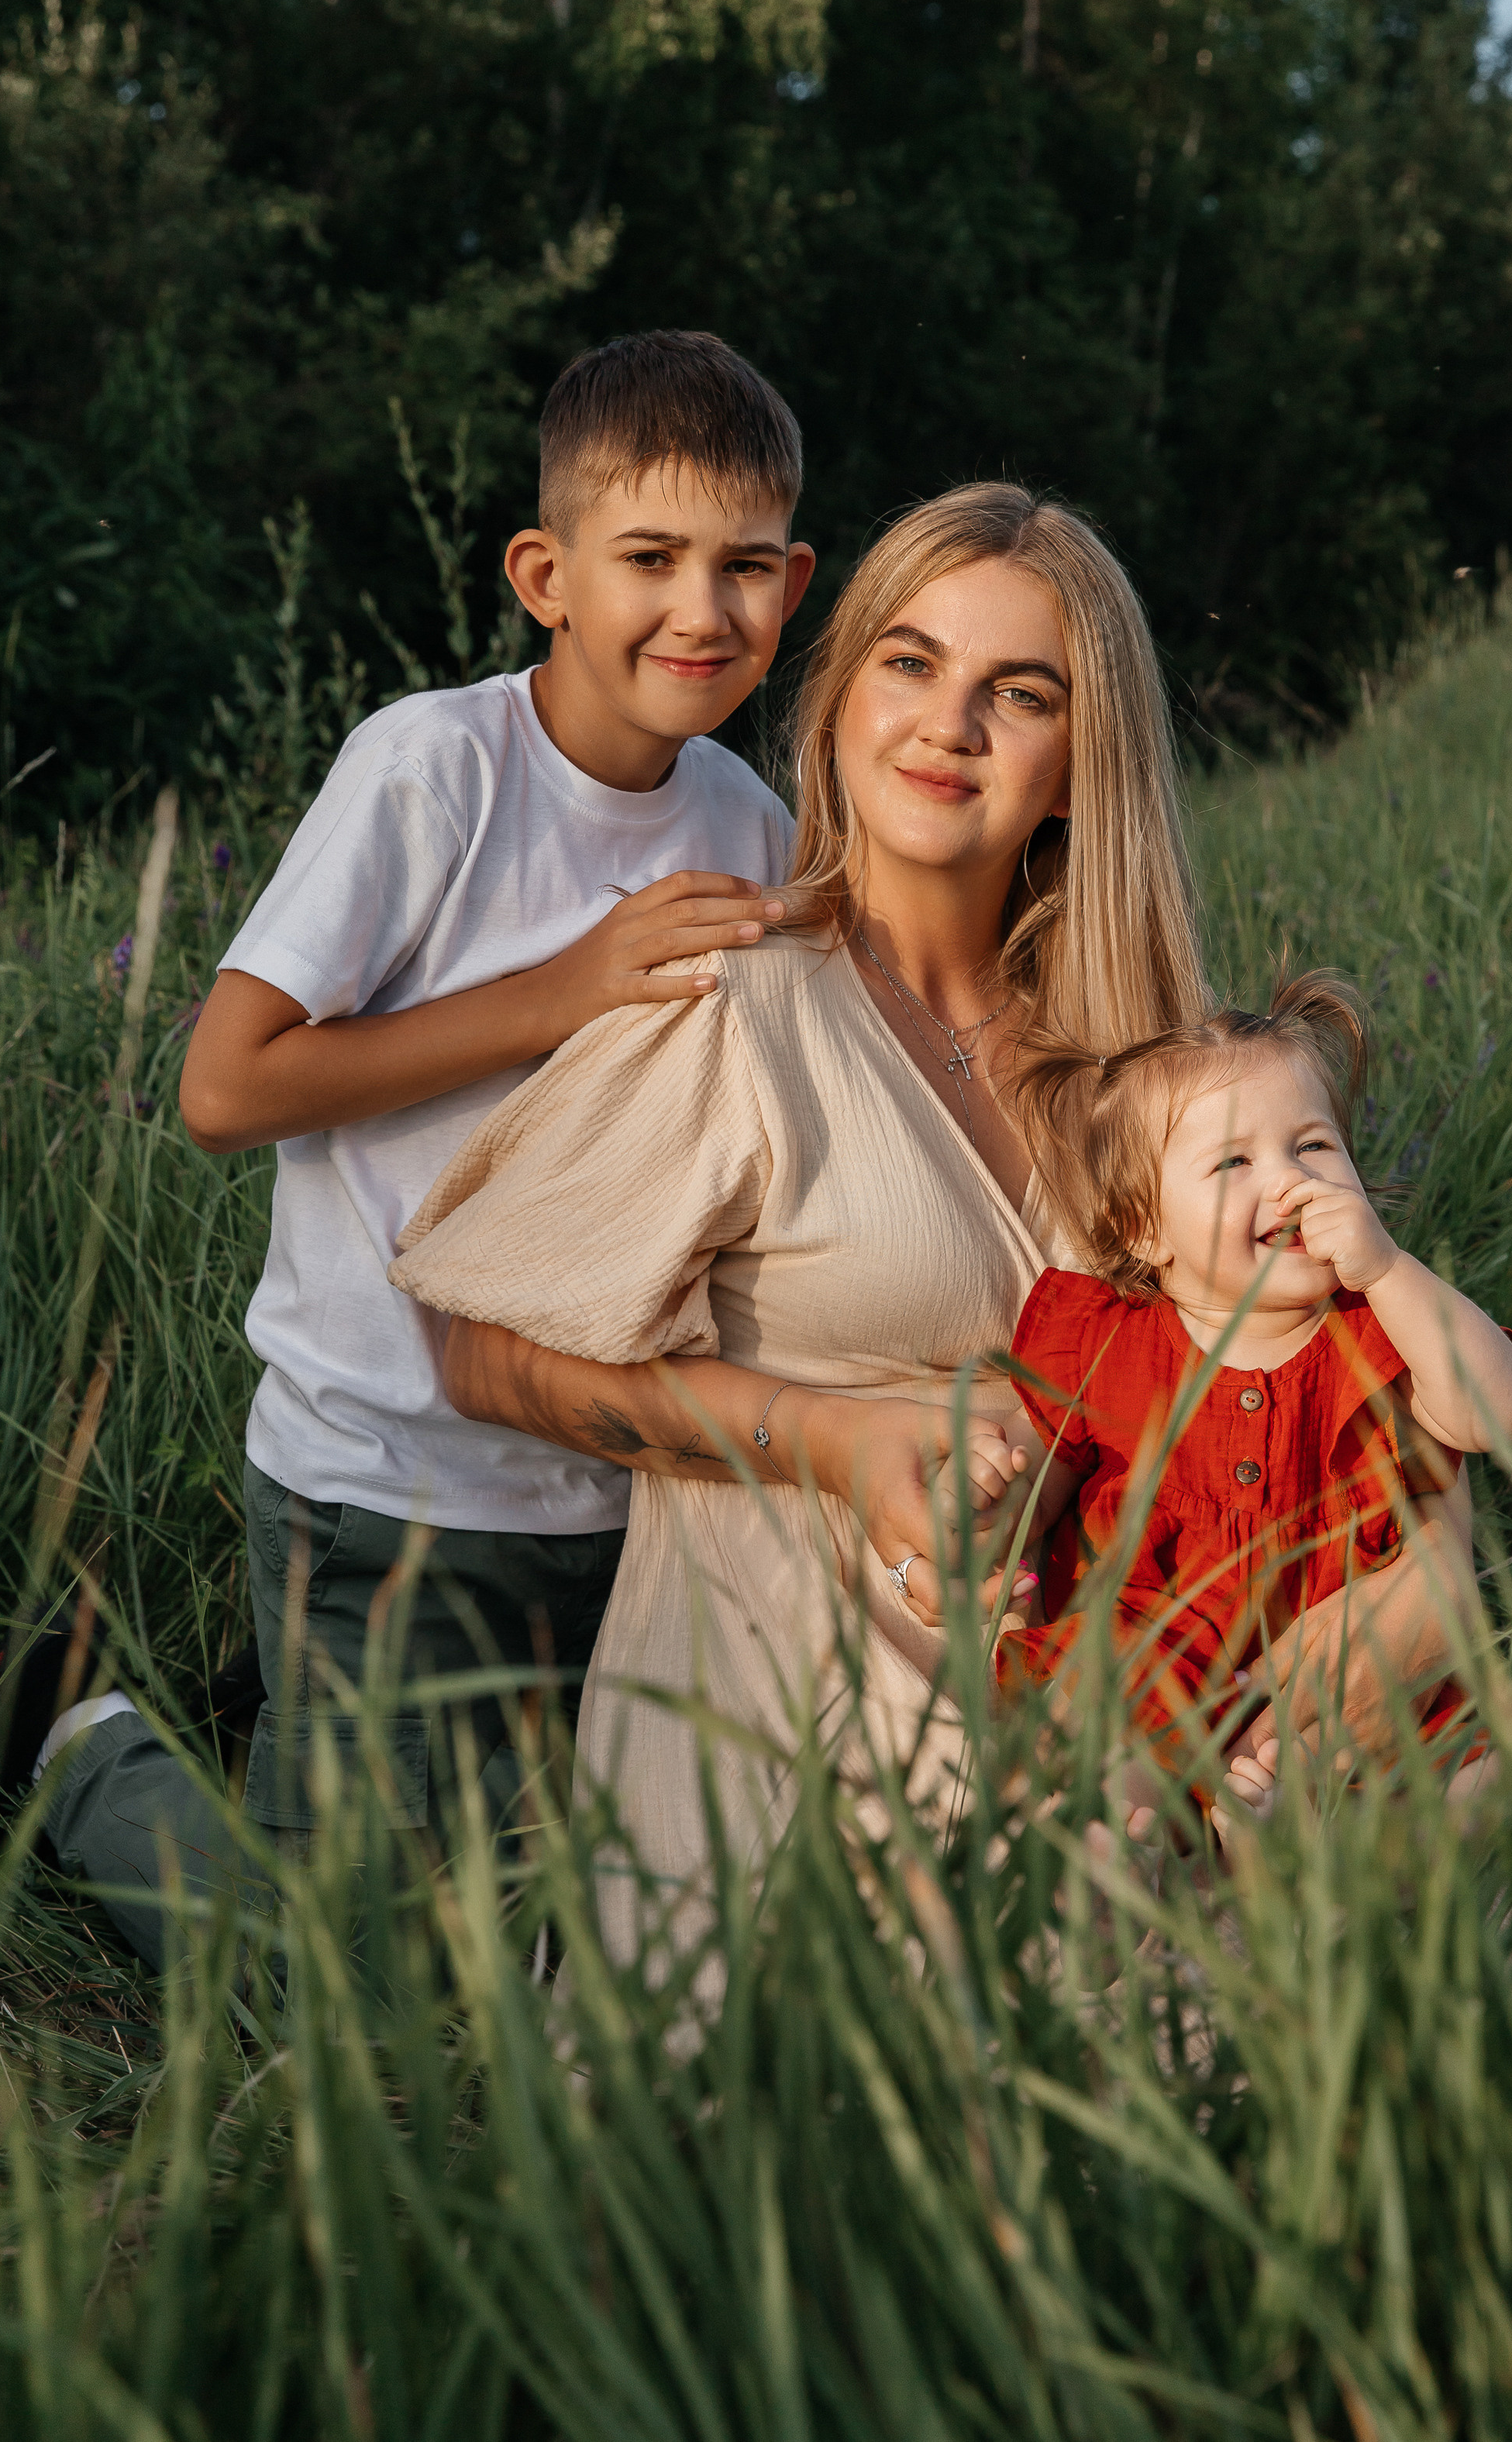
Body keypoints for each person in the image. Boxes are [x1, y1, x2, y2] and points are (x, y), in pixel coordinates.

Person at [0, 329, 815, 1970]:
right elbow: (226, 1084)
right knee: (342, 1986)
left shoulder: (747, 819)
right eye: (647, 558)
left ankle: (305, 1718)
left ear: (796, 581)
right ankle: (81, 1734)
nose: (700, 611)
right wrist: (560, 991)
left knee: (599, 1944)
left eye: (745, 566)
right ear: (543, 572)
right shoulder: (435, 768)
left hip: (620, 1489)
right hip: (394, 1478)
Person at [385, 480, 1210, 1972]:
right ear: (835, 702)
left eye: (1014, 693)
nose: (946, 723)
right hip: (779, 1680)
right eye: (907, 662)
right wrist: (822, 1439)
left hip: (1099, 1656)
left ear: (1082, 764)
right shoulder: (731, 999)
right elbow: (476, 1345)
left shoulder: (1148, 1061)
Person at [999, 973, 1512, 1829]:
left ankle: (1306, 1856)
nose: (1287, 1180)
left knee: (1496, 1790)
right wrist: (988, 1523)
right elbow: (1033, 1495)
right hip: (1150, 1656)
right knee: (1085, 1739)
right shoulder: (1107, 1340)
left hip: (1339, 1680)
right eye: (1234, 1161)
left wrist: (1386, 1267)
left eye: (1313, 1146)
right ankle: (1115, 1865)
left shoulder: (1378, 1325)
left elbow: (1494, 1415)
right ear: (1142, 1228)